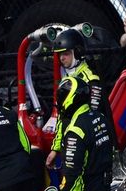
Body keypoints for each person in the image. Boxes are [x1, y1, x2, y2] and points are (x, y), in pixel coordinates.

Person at [45, 27, 114, 170]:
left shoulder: (91, 79)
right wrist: (55, 148)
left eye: (65, 54)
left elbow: (94, 117)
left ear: (77, 53)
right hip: (70, 144)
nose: (61, 58)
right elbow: (61, 117)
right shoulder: (68, 80)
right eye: (60, 55)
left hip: (86, 148)